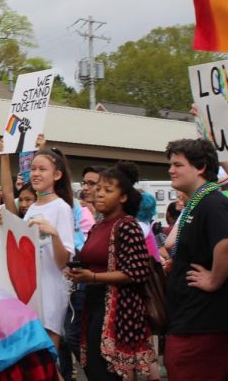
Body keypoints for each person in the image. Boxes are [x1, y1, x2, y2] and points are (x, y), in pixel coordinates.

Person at [164, 139, 228, 381]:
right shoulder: (200, 201)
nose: (171, 170)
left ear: (200, 167)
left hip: (205, 325)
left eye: (178, 164)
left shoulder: (213, 202)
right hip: (195, 322)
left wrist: (213, 280)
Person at [66, 162, 157, 381]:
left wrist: (94, 277)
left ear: (123, 197)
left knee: (108, 371)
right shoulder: (99, 226)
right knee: (96, 368)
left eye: (108, 191)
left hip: (118, 308)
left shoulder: (127, 225)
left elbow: (137, 272)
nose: (99, 195)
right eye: (98, 190)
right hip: (93, 302)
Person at [22, 148, 75, 348]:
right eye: (33, 168)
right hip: (30, 288)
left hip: (51, 288)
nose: (35, 174)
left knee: (47, 352)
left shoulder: (62, 207)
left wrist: (53, 234)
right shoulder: (32, 208)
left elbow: (63, 262)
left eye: (42, 169)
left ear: (57, 175)